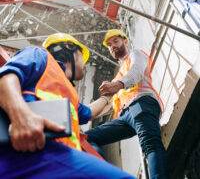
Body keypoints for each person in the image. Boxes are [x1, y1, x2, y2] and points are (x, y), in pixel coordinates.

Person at [0, 33, 135, 179]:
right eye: (82, 57)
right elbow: (6, 77)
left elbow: (89, 112)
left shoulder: (70, 94)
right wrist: (21, 115)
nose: (84, 64)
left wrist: (109, 95)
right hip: (32, 152)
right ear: (70, 49)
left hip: (56, 161)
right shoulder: (40, 55)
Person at [86, 29, 167, 179]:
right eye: (109, 45)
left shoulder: (135, 54)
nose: (113, 46)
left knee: (150, 144)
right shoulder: (118, 75)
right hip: (125, 117)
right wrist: (82, 113)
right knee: (87, 138)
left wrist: (118, 84)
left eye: (115, 41)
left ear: (125, 41)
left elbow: (136, 72)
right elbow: (106, 104)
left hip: (141, 104)